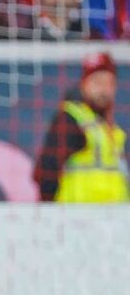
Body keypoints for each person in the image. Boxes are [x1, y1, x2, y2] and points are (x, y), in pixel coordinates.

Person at [34, 52, 128, 203]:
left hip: (113, 220)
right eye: (97, 82)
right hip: (78, 218)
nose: (104, 90)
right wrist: (49, 213)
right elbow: (46, 171)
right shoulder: (71, 119)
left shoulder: (114, 131)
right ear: (84, 84)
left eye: (109, 83)